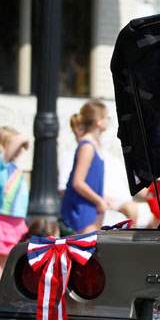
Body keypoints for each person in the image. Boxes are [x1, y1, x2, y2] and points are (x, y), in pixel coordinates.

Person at [61, 100, 109, 234]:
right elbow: (78, 182)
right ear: (98, 121)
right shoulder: (87, 146)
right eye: (106, 117)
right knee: (84, 249)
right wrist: (99, 200)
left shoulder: (95, 144)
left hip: (90, 206)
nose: (108, 121)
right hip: (80, 208)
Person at [0, 127, 29, 272]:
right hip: (4, 219)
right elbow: (15, 143)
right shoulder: (2, 164)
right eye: (16, 147)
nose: (19, 150)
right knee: (2, 262)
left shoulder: (13, 166)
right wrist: (20, 139)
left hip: (15, 220)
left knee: (8, 262)